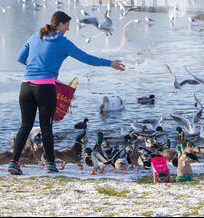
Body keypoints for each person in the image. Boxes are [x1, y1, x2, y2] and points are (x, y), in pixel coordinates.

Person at [8, 11, 125, 175]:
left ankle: (13, 163)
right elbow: (86, 58)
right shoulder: (62, 42)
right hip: (45, 88)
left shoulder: (35, 36)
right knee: (46, 126)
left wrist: (34, 67)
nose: (68, 29)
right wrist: (110, 63)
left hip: (26, 86)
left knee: (25, 126)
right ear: (60, 24)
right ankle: (50, 164)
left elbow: (20, 58)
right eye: (67, 26)